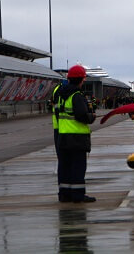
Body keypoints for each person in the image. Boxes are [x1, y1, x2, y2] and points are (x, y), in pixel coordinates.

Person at [56, 65, 96, 203]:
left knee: (64, 167)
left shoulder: (61, 95)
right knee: (78, 167)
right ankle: (78, 195)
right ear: (80, 79)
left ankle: (64, 194)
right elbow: (81, 116)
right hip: (77, 138)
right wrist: (91, 116)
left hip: (63, 137)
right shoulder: (77, 96)